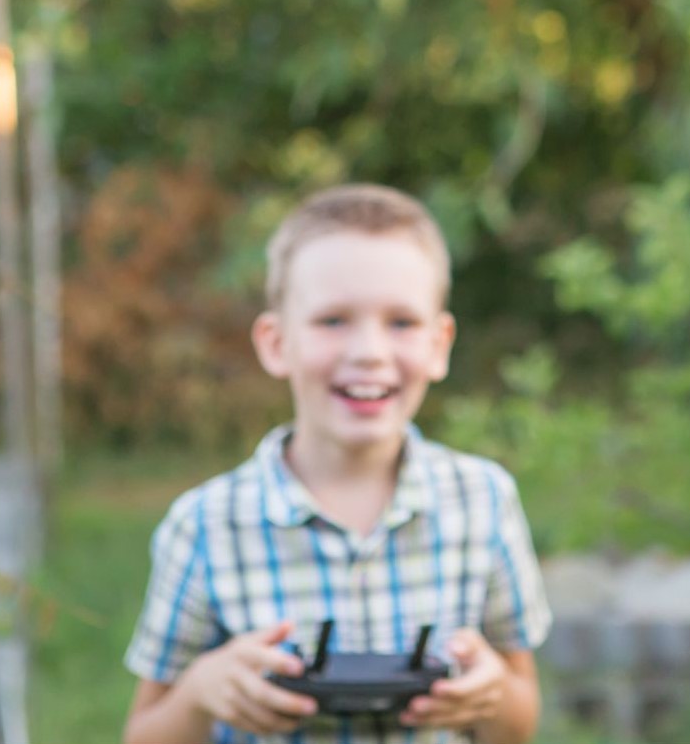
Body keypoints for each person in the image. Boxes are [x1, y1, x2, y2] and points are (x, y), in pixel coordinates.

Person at [122, 184, 551, 744]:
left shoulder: (484, 501)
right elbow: (143, 733)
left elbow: (519, 721)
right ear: (276, 343)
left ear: (439, 344)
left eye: (401, 322)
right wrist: (203, 691)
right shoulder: (205, 525)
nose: (369, 350)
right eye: (333, 321)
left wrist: (488, 695)